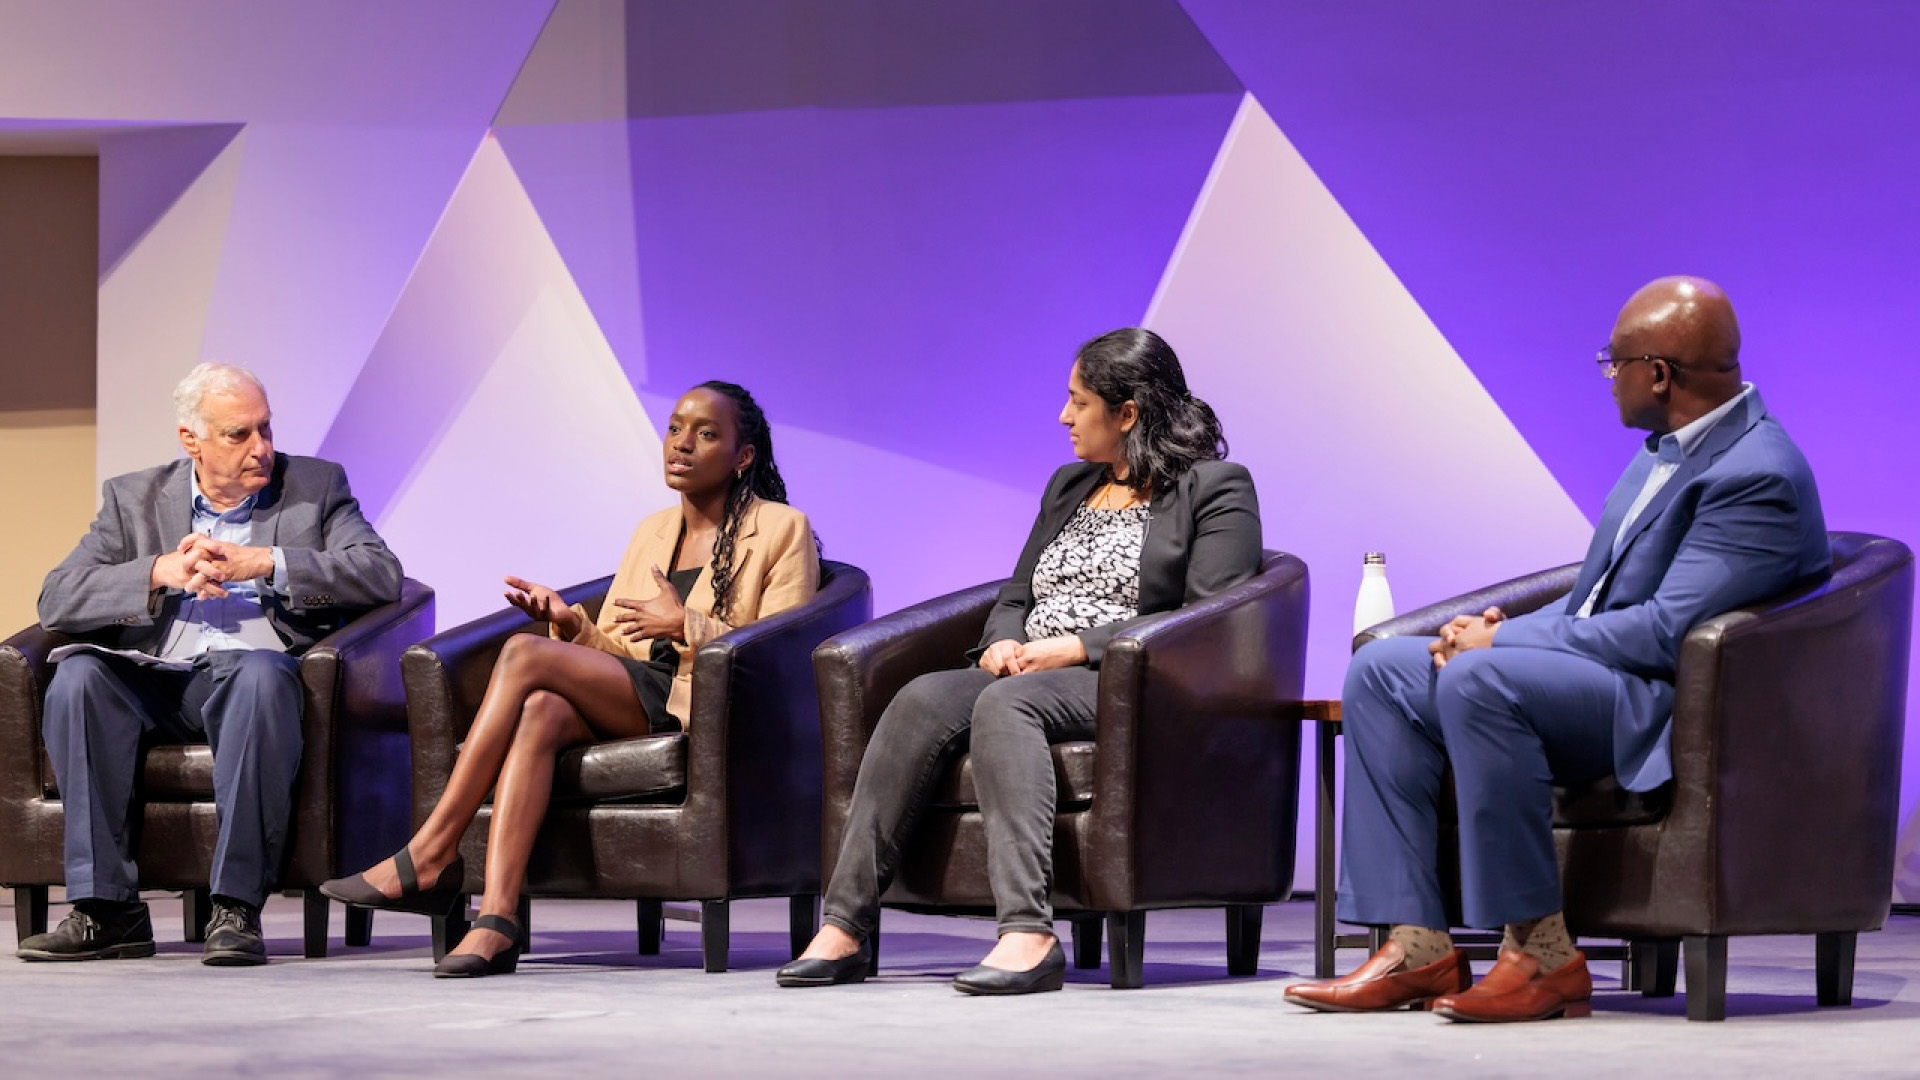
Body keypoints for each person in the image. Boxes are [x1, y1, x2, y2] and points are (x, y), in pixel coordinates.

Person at [1287, 276, 1829, 1022]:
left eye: (1616, 363)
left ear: (1659, 374)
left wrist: (1502, 639)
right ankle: (1418, 948)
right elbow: (1598, 595)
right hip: (1592, 674)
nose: (1610, 380)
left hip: (1658, 701)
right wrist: (1493, 630)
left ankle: (1542, 955)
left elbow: (1663, 634)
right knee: (1380, 671)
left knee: (1481, 681)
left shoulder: (1755, 474)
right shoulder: (1661, 452)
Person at [778, 327, 1262, 995]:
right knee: (920, 695)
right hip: (1029, 666)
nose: (1064, 417)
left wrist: (1080, 647)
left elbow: (1209, 618)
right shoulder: (1070, 485)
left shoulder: (1214, 487)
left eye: (1078, 401)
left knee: (1008, 705)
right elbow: (1018, 592)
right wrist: (1003, 638)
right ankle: (845, 926)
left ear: (1127, 414)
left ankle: (1029, 934)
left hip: (1128, 681)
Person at [321, 381, 817, 977]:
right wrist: (569, 623)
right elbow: (617, 648)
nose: (681, 444)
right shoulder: (652, 531)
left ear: (743, 456)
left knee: (525, 656)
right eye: (675, 428)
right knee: (541, 711)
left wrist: (683, 622)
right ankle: (497, 921)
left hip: (704, 703)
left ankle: (430, 850)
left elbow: (780, 655)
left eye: (706, 434)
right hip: (638, 687)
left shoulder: (783, 528)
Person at [18, 363, 403, 966]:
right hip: (159, 681)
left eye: (266, 429)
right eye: (239, 435)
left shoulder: (316, 488)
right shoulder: (131, 499)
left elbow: (382, 574)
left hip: (254, 675)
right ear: (190, 440)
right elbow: (56, 597)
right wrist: (156, 573)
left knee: (257, 676)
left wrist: (267, 563)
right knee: (78, 679)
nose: (262, 449)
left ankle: (236, 907)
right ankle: (106, 910)